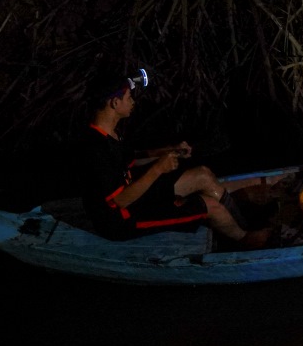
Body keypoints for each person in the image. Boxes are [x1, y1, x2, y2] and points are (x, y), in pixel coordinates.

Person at [78, 71, 270, 248]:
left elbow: (131, 161)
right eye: (129, 97)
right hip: (122, 220)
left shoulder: (110, 133)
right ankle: (245, 239)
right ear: (114, 103)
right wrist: (158, 169)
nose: (133, 102)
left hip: (136, 195)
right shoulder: (95, 149)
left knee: (202, 175)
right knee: (208, 206)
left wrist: (168, 151)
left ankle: (242, 223)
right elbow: (120, 200)